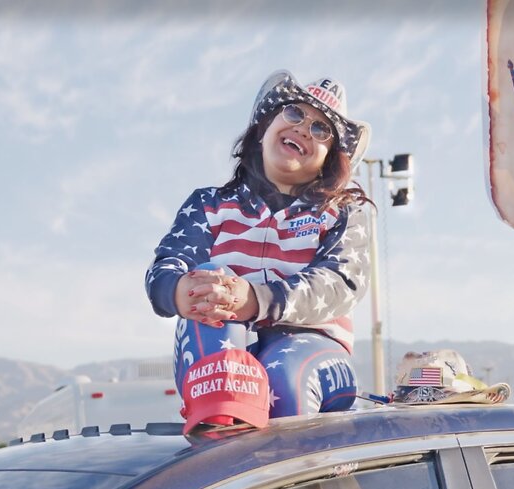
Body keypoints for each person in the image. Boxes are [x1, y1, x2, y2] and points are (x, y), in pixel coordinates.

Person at [145, 71, 372, 430]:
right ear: (265, 127)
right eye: (295, 114)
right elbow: (165, 268)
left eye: (320, 130)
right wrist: (181, 292)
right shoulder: (208, 204)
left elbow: (341, 283)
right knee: (208, 313)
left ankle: (295, 480)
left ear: (329, 159)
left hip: (313, 348)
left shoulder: (342, 212)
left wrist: (254, 298)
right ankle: (221, 444)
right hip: (223, 337)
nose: (303, 128)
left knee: (284, 377)